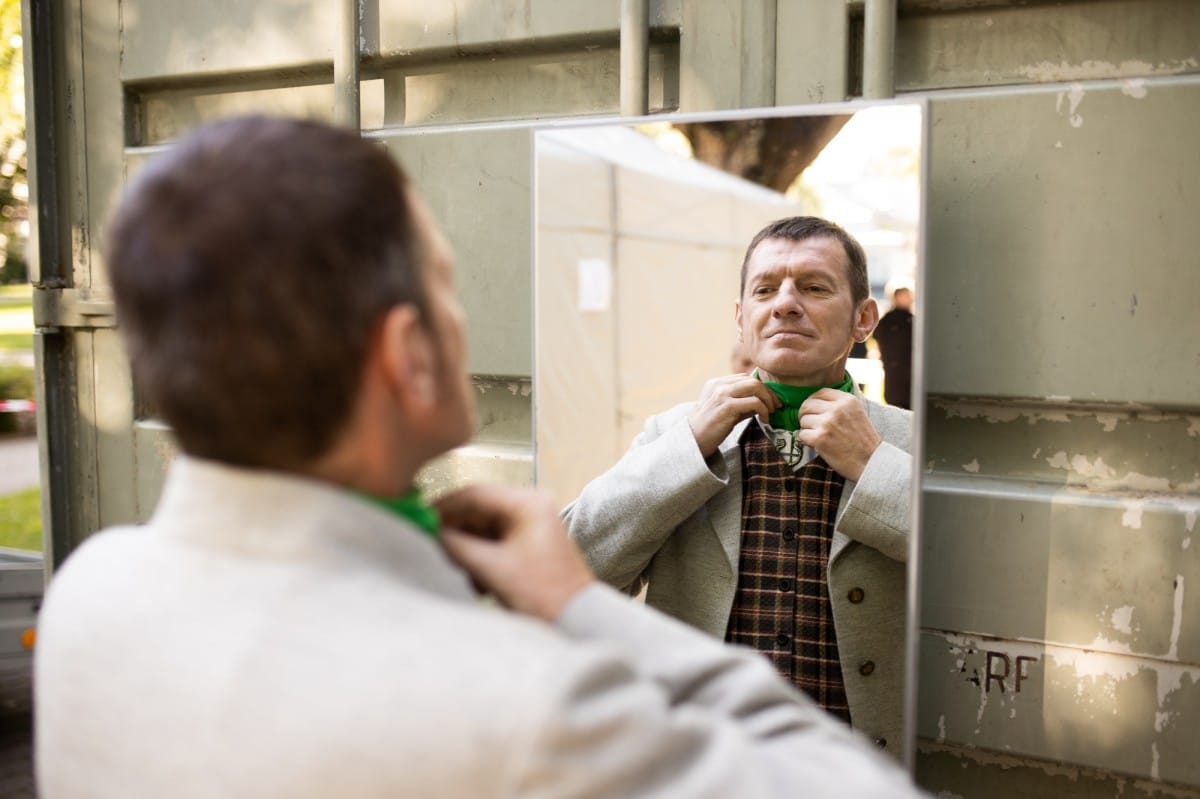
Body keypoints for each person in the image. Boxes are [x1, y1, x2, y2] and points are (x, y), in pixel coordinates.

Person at [33, 118, 924, 798]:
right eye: (448, 289)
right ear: (406, 356)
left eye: (812, 287)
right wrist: (576, 604)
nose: (784, 305)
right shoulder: (517, 703)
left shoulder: (87, 590)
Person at [566, 216, 913, 757]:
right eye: (765, 289)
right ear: (741, 316)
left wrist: (875, 466)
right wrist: (688, 446)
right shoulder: (673, 434)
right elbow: (571, 569)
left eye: (815, 287)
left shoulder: (911, 443)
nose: (785, 304)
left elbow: (974, 584)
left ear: (863, 318)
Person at [873, 285, 915, 410]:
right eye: (903, 296)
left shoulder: (913, 320)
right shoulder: (887, 321)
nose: (906, 299)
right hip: (894, 373)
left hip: (910, 374)